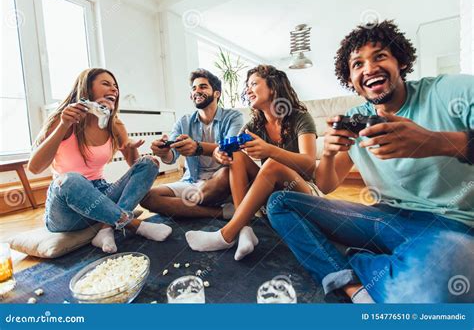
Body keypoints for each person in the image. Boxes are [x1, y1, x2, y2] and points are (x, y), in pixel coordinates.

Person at [267, 20, 474, 303]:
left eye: (379, 56)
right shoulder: (356, 117)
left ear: (399, 61)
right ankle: (352, 285)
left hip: (447, 225)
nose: (369, 69)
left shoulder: (451, 91)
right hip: (381, 218)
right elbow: (327, 186)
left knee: (440, 289)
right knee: (280, 203)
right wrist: (328, 153)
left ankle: (358, 259)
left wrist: (433, 141)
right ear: (350, 78)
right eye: (357, 64)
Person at [186, 64, 322, 261]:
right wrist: (219, 153)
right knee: (236, 154)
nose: (247, 90)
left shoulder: (299, 117)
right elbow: (226, 148)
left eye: (253, 84)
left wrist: (270, 150)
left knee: (272, 164)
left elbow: (309, 165)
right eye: (246, 86)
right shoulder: (255, 124)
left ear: (273, 87)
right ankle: (245, 230)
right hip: (270, 197)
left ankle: (227, 234)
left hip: (304, 191)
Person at [28, 68, 172, 253]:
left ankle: (105, 229)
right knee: (70, 179)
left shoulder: (114, 124)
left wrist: (131, 149)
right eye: (106, 84)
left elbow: (136, 168)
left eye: (115, 87)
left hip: (100, 196)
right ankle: (133, 225)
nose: (114, 90)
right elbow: (35, 167)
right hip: (66, 209)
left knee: (149, 163)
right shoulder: (63, 119)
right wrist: (64, 124)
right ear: (87, 89)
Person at [141, 69, 243, 218]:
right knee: (147, 197)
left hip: (219, 181)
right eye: (194, 88)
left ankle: (182, 206)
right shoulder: (183, 122)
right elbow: (171, 158)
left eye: (203, 87)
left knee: (226, 174)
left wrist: (198, 147)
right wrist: (164, 152)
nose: (197, 91)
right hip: (192, 182)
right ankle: (220, 212)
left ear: (217, 93)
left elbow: (230, 149)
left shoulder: (233, 117)